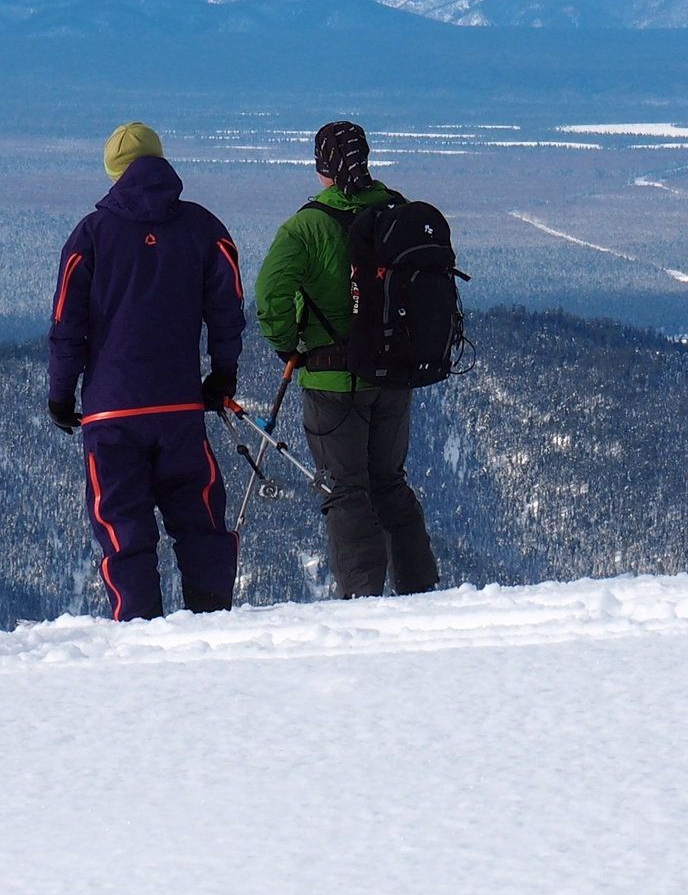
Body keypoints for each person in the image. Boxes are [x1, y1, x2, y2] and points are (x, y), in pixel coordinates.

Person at [46, 121, 245, 620]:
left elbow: (67, 324)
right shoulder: (203, 228)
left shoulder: (90, 235)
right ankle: (213, 615)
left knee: (122, 525)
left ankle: (138, 630)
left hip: (109, 411)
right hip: (179, 406)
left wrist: (61, 394)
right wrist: (222, 375)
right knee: (198, 516)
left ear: (114, 173)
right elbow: (228, 309)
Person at [254, 120, 440, 599]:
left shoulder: (307, 226)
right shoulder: (397, 210)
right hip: (395, 374)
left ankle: (361, 599)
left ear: (322, 169)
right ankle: (421, 590)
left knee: (347, 489)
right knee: (390, 482)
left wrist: (288, 343)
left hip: (332, 380)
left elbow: (271, 292)